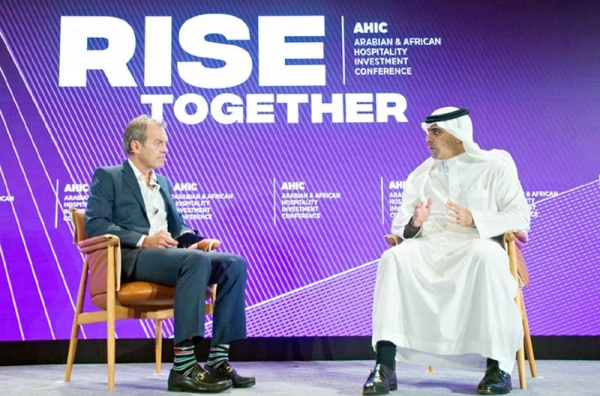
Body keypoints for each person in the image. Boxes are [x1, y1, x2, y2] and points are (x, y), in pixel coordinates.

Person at [363, 107, 530, 395]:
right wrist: (414, 223)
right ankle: (385, 366)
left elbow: (519, 216)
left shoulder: (495, 167)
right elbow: (401, 225)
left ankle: (498, 367)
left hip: (476, 246)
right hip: (429, 247)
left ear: (458, 136)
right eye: (428, 131)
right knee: (393, 258)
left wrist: (475, 219)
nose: (428, 138)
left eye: (436, 132)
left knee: (487, 257)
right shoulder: (420, 175)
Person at [85, 115, 256, 393]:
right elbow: (95, 225)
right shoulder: (109, 176)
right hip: (133, 258)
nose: (166, 149)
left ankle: (217, 359)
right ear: (136, 146)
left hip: (170, 257)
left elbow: (178, 227)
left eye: (166, 143)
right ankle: (184, 367)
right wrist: (144, 240)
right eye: (159, 143)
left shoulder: (163, 182)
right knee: (195, 261)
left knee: (233, 264)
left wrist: (196, 241)